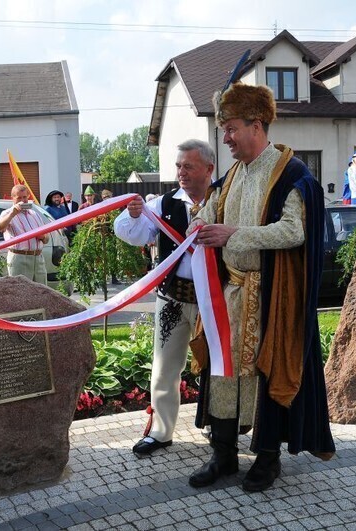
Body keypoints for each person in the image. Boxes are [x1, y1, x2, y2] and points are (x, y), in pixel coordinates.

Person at [187, 82, 335, 492]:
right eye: (224, 130)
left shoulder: (292, 173)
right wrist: (198, 225)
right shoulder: (233, 174)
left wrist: (234, 234)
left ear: (256, 124)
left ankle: (267, 459)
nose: (226, 139)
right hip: (229, 294)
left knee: (266, 376)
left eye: (231, 128)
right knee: (222, 375)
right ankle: (223, 455)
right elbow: (206, 217)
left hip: (270, 297)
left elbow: (294, 231)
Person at [114, 139, 215, 457]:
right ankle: (161, 431)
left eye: (189, 166)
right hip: (172, 297)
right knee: (164, 367)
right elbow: (134, 234)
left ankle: (218, 425)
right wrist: (132, 215)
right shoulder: (164, 203)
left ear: (208, 169)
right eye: (178, 165)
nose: (181, 172)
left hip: (212, 300)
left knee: (216, 365)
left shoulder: (225, 199)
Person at [0, 184, 50, 285]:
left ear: (28, 197)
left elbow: (47, 238)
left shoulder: (34, 214)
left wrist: (42, 237)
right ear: (13, 199)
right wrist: (13, 213)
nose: (22, 200)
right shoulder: (7, 213)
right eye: (19, 198)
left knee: (42, 292)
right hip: (19, 258)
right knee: (20, 293)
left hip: (38, 257)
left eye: (24, 197)